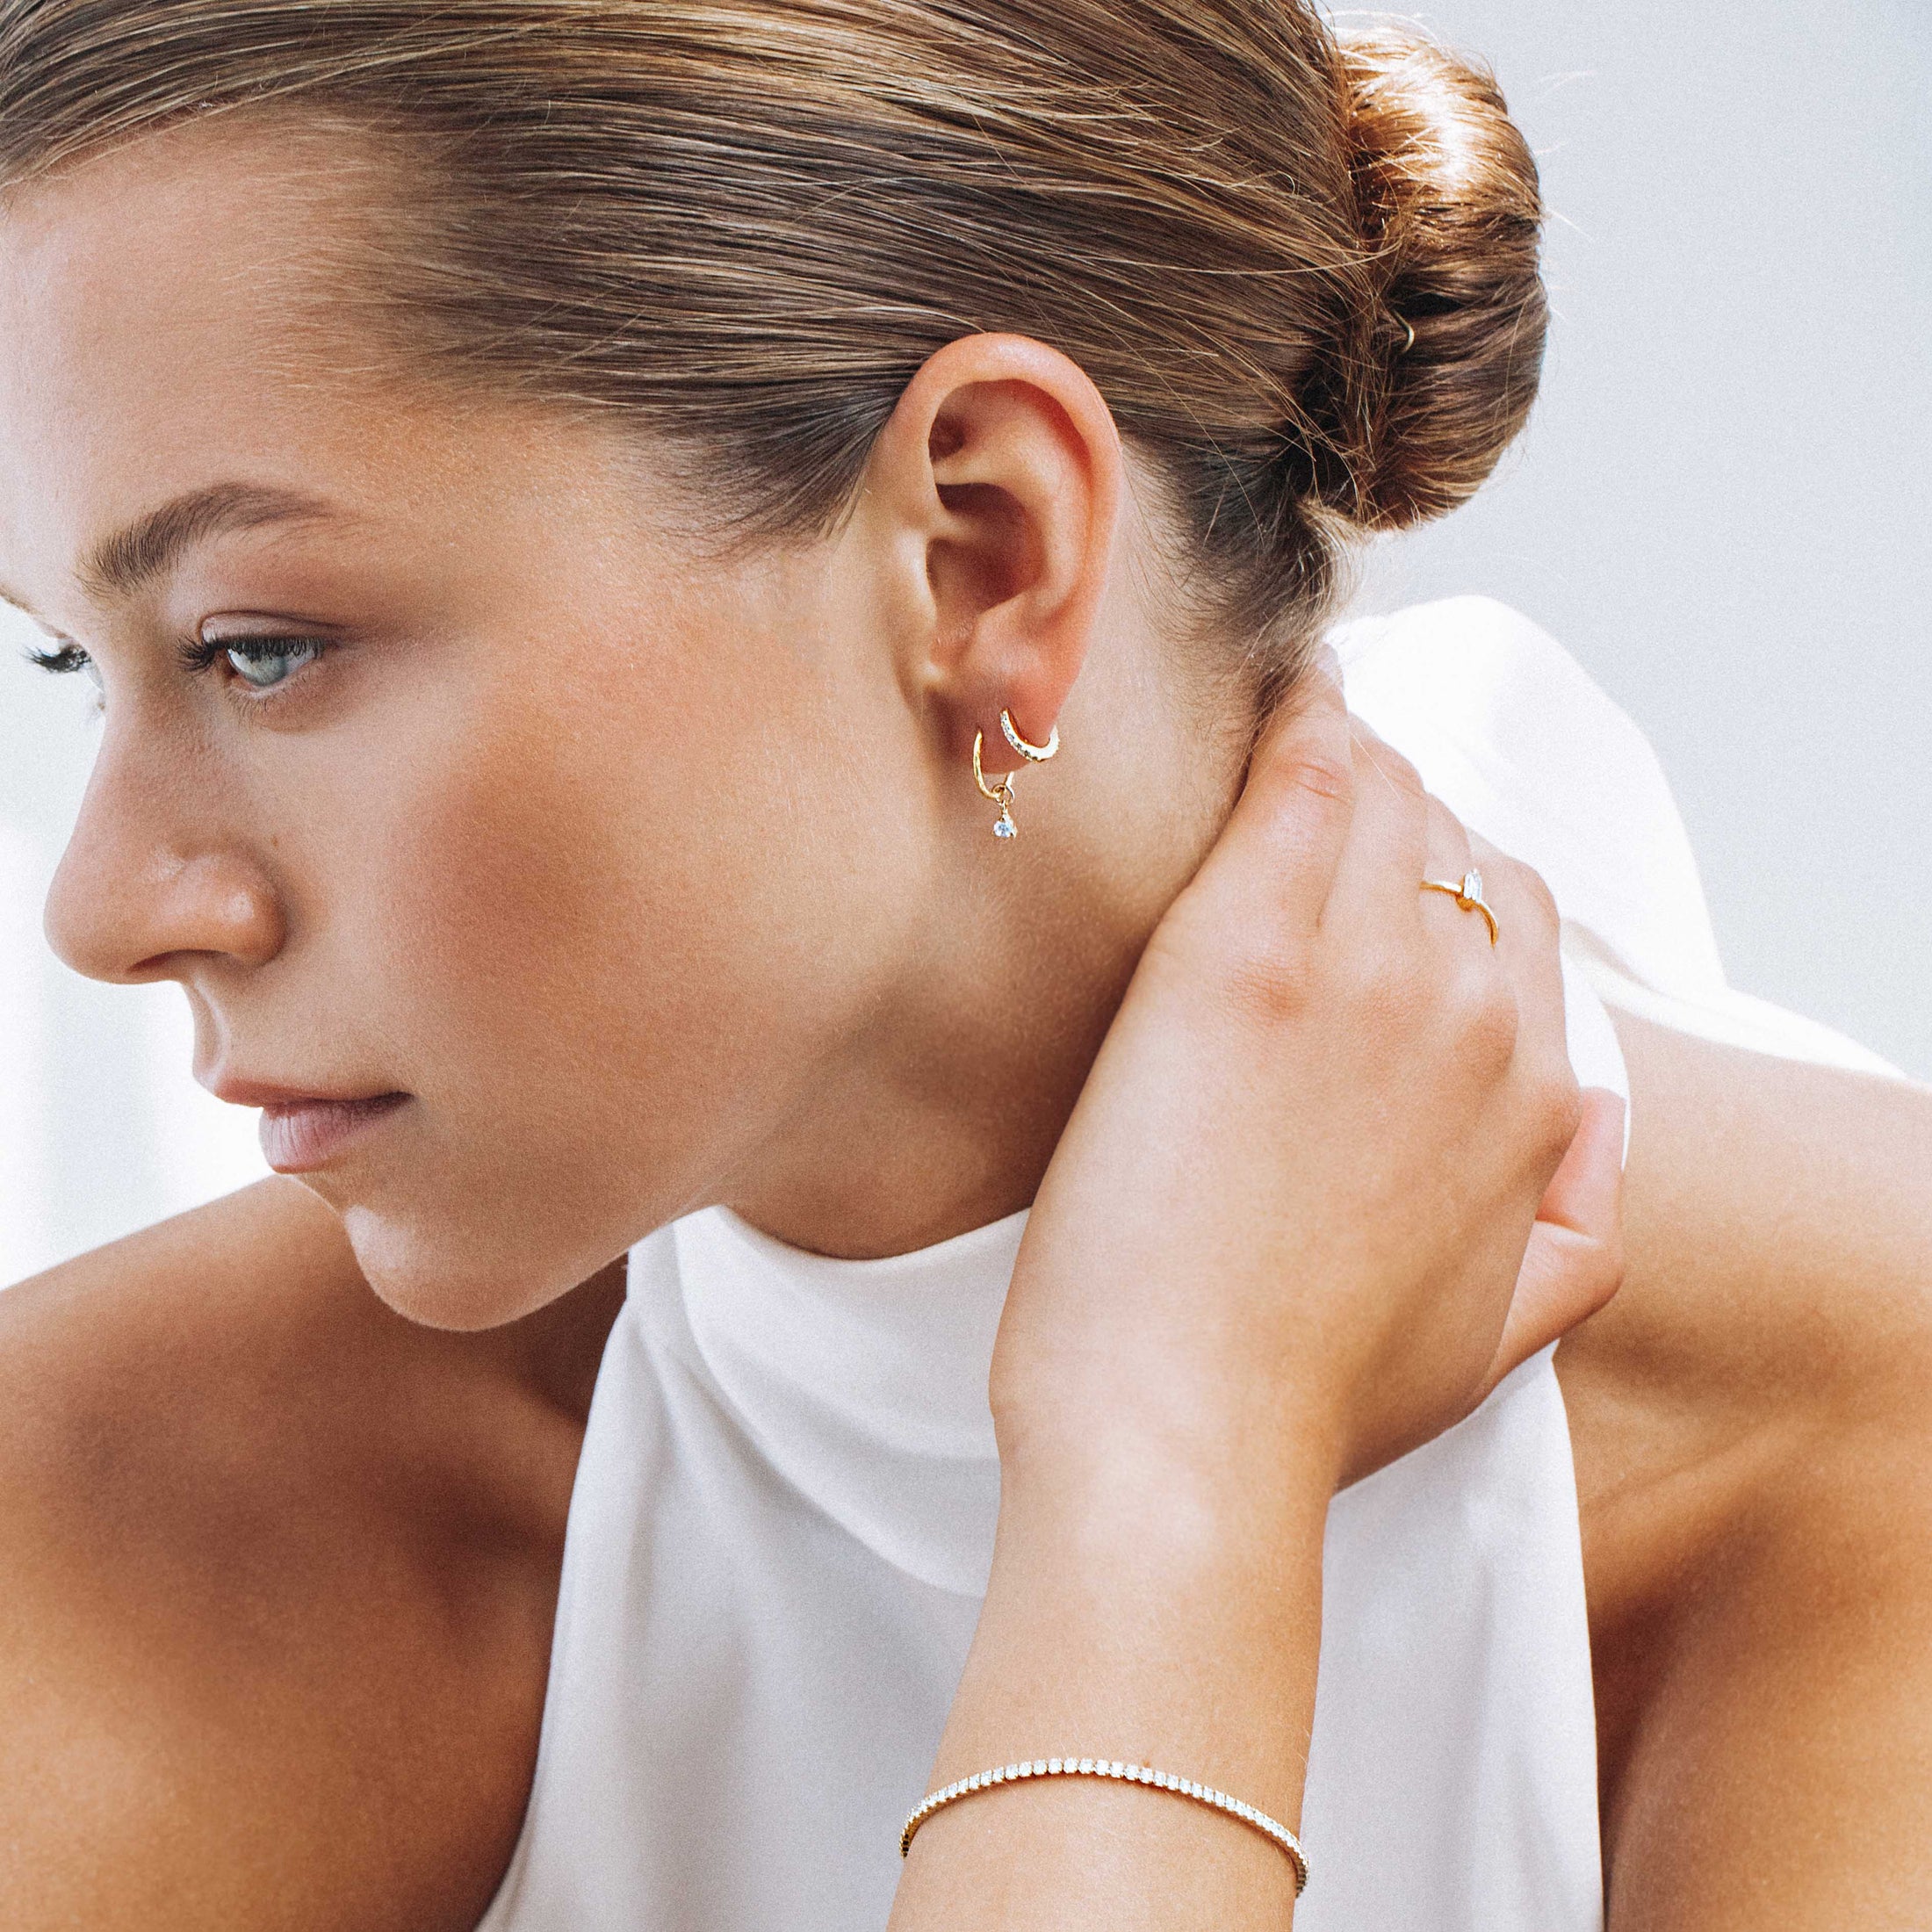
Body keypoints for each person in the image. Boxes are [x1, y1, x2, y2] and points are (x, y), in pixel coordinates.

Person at [0, 3, 1927, 1928]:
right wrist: (1160, 1486)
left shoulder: (1868, 1435)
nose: (102, 906)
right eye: (72, 657)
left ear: (981, 553)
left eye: (257, 643)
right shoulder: (124, 1498)